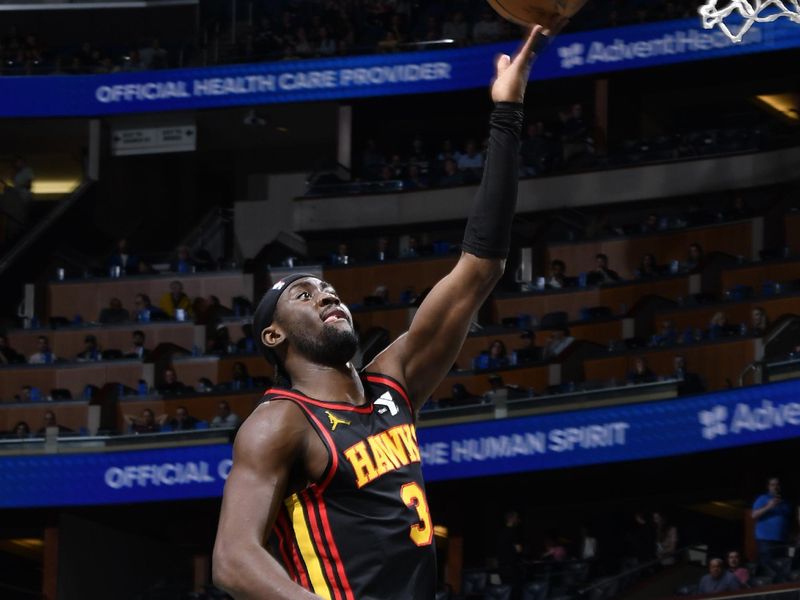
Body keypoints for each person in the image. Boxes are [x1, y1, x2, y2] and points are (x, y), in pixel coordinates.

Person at [212, 27, 549, 599]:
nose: (325, 294)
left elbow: (479, 269)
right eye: (303, 293)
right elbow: (235, 560)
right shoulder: (280, 423)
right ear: (274, 334)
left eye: (327, 287)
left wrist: (507, 113)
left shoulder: (393, 384)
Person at [752, 477, 792, 571]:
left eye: (777, 484)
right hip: (766, 540)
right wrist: (769, 506)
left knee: (782, 567)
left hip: (782, 540)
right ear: (768, 487)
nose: (775, 487)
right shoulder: (763, 498)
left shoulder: (785, 502)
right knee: (767, 567)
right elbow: (754, 515)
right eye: (772, 485)